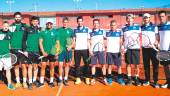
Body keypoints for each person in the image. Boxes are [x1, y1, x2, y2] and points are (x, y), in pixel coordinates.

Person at [10, 12, 29, 88]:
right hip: (14, 49)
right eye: (16, 17)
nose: (17, 18)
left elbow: (29, 36)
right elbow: (8, 37)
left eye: (19, 17)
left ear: (21, 18)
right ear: (14, 18)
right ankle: (18, 82)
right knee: (16, 66)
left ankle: (24, 82)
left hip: (23, 49)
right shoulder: (11, 27)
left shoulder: (25, 26)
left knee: (24, 66)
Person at [22, 16, 41, 89]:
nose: (35, 22)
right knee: (30, 66)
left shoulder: (40, 29)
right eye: (34, 21)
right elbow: (24, 40)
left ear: (38, 22)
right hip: (29, 51)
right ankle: (30, 82)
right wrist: (25, 50)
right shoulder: (27, 29)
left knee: (36, 67)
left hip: (37, 51)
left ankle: (34, 80)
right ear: (31, 22)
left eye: (36, 21)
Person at [122, 14, 141, 86]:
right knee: (128, 64)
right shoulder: (123, 28)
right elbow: (123, 39)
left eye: (131, 18)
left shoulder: (137, 27)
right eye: (128, 18)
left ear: (133, 19)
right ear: (126, 19)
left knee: (136, 65)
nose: (129, 20)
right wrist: (123, 47)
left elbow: (140, 36)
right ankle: (129, 78)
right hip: (128, 48)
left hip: (136, 48)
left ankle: (136, 78)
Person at [141, 13, 160, 88]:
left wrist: (156, 42)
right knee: (146, 65)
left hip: (153, 49)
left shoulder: (154, 27)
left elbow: (157, 36)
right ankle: (147, 80)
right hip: (145, 49)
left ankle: (155, 81)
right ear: (143, 19)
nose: (146, 19)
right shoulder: (141, 27)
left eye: (147, 18)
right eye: (144, 18)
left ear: (149, 18)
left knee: (155, 65)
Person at [105, 20, 125, 85]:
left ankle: (120, 79)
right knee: (109, 66)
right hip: (109, 52)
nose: (113, 26)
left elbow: (121, 41)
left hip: (117, 52)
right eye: (112, 25)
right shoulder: (107, 33)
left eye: (114, 25)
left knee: (119, 66)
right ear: (110, 26)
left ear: (116, 26)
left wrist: (122, 48)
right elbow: (105, 42)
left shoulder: (119, 32)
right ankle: (109, 78)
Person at [39, 19, 57, 87]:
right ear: (46, 24)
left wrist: (56, 52)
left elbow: (57, 43)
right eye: (48, 23)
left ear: (52, 24)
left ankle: (51, 82)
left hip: (52, 53)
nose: (49, 25)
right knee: (43, 67)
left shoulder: (55, 32)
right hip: (44, 53)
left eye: (50, 23)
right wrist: (43, 52)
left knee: (52, 67)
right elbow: (40, 42)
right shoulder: (42, 32)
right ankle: (41, 82)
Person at [88, 19, 107, 85]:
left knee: (103, 65)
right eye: (94, 23)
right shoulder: (90, 33)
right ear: (93, 24)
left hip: (101, 51)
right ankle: (93, 78)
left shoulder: (102, 31)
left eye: (97, 23)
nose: (96, 24)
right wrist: (90, 50)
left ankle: (104, 78)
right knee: (93, 65)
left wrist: (104, 47)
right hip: (93, 51)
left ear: (99, 24)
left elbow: (105, 40)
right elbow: (88, 42)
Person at [73, 16, 91, 85]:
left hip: (85, 50)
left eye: (81, 21)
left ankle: (87, 78)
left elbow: (88, 40)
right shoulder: (75, 30)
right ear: (77, 22)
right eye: (78, 21)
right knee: (77, 65)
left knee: (87, 64)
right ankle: (78, 79)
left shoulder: (87, 29)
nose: (80, 22)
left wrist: (90, 50)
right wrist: (71, 46)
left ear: (83, 21)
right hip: (77, 50)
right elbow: (74, 40)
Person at [57, 17, 73, 86]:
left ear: (68, 23)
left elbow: (73, 41)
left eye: (66, 22)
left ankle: (66, 78)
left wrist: (70, 46)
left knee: (67, 65)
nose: (65, 23)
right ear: (62, 23)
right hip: (61, 51)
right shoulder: (58, 30)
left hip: (68, 51)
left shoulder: (70, 30)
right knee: (60, 65)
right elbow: (56, 40)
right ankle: (60, 78)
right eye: (64, 22)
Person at [0, 21, 15, 90]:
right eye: (4, 25)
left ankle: (9, 84)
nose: (6, 27)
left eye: (7, 26)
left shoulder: (10, 34)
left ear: (8, 27)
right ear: (2, 26)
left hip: (7, 56)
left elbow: (11, 44)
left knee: (8, 70)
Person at [157, 10, 170, 89]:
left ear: (166, 16)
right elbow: (158, 38)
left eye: (162, 16)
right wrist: (157, 42)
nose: (161, 18)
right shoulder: (158, 27)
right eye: (160, 16)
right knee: (165, 67)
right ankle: (168, 82)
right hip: (162, 50)